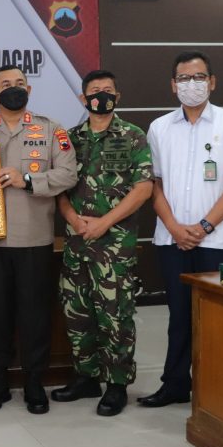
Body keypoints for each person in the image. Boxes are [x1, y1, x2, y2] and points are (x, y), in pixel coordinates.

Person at [139, 51, 223, 408]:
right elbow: (152, 185)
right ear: (173, 85)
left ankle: (219, 388)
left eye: (199, 77)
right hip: (171, 238)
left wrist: (204, 226)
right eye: (185, 79)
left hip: (217, 240)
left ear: (212, 81)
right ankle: (175, 384)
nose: (192, 85)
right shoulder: (160, 127)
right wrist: (175, 227)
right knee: (179, 313)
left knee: (216, 316)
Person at [0, 65, 77, 414]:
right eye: (5, 85)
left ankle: (34, 382)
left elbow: (68, 175)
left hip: (34, 239)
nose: (14, 89)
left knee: (35, 315)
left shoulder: (51, 130)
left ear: (28, 89)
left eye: (20, 84)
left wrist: (26, 180)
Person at [52, 70, 153, 417]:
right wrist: (75, 221)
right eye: (94, 92)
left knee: (115, 314)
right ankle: (86, 376)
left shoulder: (132, 136)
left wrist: (104, 223)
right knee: (76, 312)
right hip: (77, 242)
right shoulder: (68, 139)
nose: (101, 96)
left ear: (117, 96)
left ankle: (117, 383)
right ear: (83, 99)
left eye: (107, 91)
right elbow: (59, 189)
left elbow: (143, 188)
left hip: (115, 245)